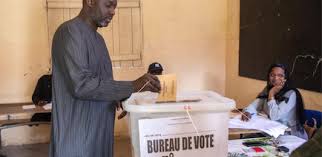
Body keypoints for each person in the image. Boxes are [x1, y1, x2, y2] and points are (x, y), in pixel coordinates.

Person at [50, 0, 161, 156]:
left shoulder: (99, 40)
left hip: (100, 135)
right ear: (90, 1)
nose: (113, 11)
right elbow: (81, 85)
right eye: (108, 5)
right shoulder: (69, 32)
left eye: (114, 6)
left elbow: (102, 83)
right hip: (77, 139)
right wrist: (132, 85)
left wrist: (123, 99)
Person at [241, 63, 308, 139]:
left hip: (289, 135)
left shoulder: (291, 93)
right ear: (268, 77)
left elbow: (275, 116)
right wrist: (248, 111)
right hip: (272, 132)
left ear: (286, 78)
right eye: (272, 75)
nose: (276, 78)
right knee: (245, 140)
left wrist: (271, 94)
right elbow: (255, 105)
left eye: (280, 75)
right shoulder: (268, 89)